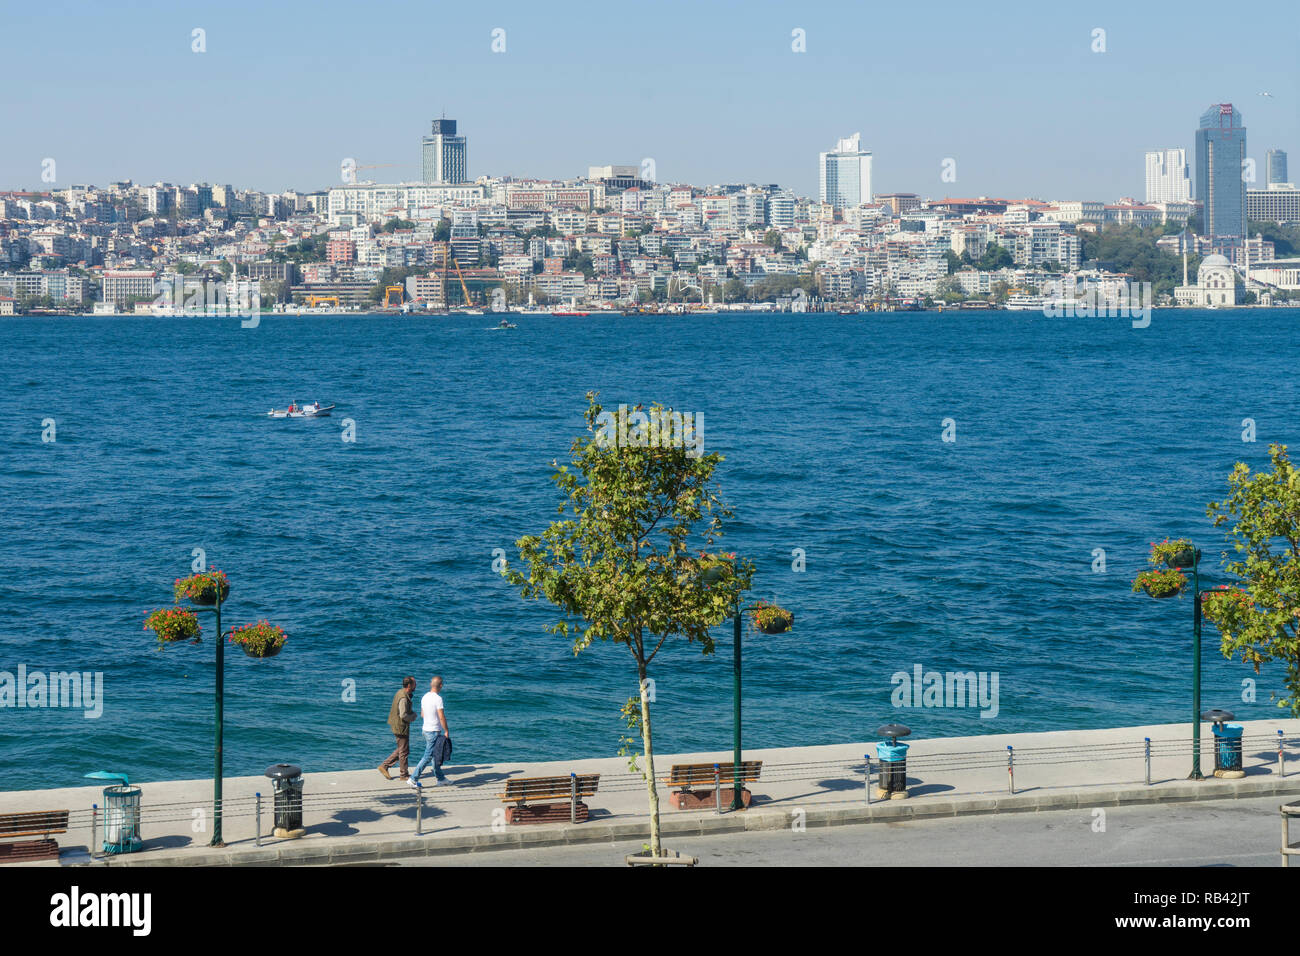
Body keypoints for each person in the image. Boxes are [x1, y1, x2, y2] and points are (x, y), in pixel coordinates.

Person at [409, 676, 450, 788]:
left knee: (435, 755)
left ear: (431, 685)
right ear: (440, 685)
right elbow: (441, 716)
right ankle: (413, 779)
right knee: (428, 756)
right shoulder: (438, 699)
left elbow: (422, 714)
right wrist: (446, 730)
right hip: (434, 731)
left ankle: (441, 779)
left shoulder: (424, 697)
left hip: (426, 729)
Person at [378, 676, 417, 780]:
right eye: (414, 684)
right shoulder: (403, 698)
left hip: (397, 724)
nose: (416, 686)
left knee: (402, 749)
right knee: (403, 751)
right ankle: (402, 774)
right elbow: (403, 715)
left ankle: (385, 766)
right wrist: (413, 716)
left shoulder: (401, 692)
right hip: (401, 726)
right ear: (409, 685)